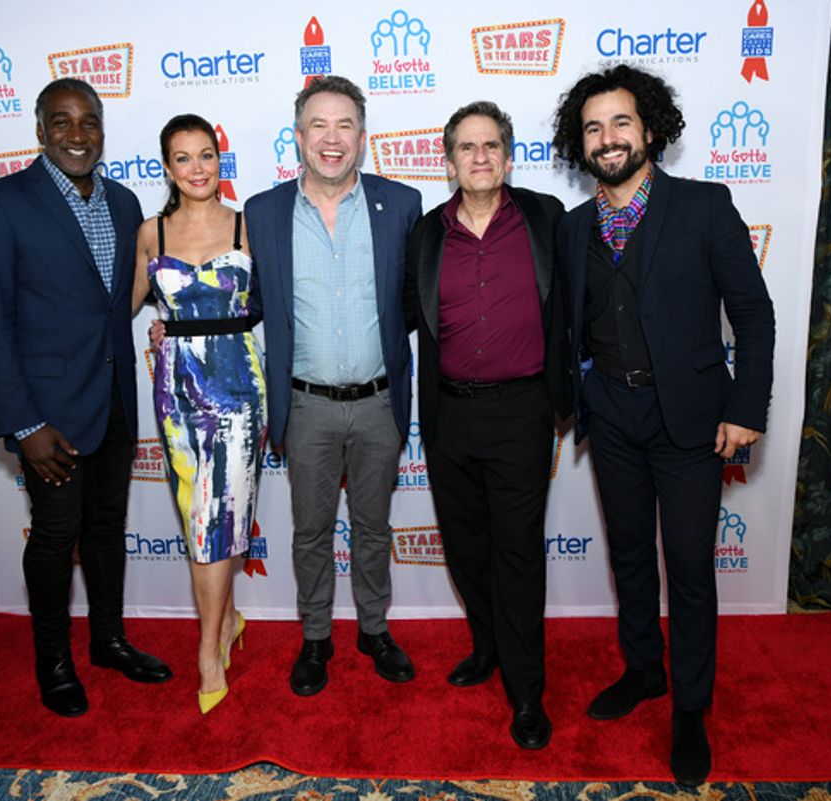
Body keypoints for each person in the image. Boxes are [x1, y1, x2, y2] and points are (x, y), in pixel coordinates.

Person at [553, 65, 775, 785]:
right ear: (581, 144)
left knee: (688, 566)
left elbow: (753, 314)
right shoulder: (574, 227)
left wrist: (746, 408)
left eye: (620, 122)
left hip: (691, 420)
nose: (607, 138)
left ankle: (690, 707)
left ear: (649, 130)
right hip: (612, 415)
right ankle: (644, 669)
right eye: (593, 128)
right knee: (627, 556)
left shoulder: (704, 206)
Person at [0, 77, 171, 718]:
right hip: (49, 415)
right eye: (62, 121)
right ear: (40, 130)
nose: (77, 135)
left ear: (102, 131)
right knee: (56, 537)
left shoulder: (124, 203)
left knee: (107, 529)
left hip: (114, 401)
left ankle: (109, 640)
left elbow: (123, 300)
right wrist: (24, 423)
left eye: (89, 122)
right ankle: (52, 660)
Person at [245, 75, 422, 696]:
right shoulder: (263, 212)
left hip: (379, 402)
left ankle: (374, 630)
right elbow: (248, 300)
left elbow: (419, 296)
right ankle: (316, 637)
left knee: (374, 528)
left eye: (345, 125)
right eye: (318, 125)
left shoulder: (402, 204)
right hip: (306, 406)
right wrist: (181, 325)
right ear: (298, 137)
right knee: (311, 532)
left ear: (363, 137)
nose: (332, 137)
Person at [404, 101, 572, 749]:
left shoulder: (545, 218)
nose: (480, 156)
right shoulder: (426, 234)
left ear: (508, 156)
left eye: (491, 145)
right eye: (467, 147)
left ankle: (527, 692)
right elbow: (399, 312)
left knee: (518, 551)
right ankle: (488, 645)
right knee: (466, 545)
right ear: (448, 161)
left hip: (522, 412)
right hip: (449, 412)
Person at [133, 114, 266, 715]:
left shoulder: (246, 224)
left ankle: (208, 651)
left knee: (216, 520)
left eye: (206, 155)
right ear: (167, 168)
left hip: (238, 389)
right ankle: (229, 618)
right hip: (176, 394)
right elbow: (121, 307)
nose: (197, 168)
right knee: (199, 516)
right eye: (183, 158)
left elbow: (273, 302)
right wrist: (160, 330)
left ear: (220, 159)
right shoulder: (151, 232)